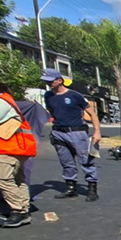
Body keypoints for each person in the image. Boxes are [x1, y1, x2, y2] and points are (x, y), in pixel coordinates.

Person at [41, 69, 102, 201]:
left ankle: (92, 189)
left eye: (51, 81)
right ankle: (71, 188)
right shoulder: (48, 96)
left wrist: (97, 132)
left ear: (59, 80)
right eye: (46, 81)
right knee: (66, 162)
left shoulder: (75, 95)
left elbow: (92, 114)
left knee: (86, 161)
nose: (48, 83)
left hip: (76, 132)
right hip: (58, 132)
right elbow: (52, 112)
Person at [0, 72, 37, 227]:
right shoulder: (3, 100)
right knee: (17, 180)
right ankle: (22, 210)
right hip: (15, 148)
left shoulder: (0, 101)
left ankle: (19, 210)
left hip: (8, 148)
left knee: (1, 178)